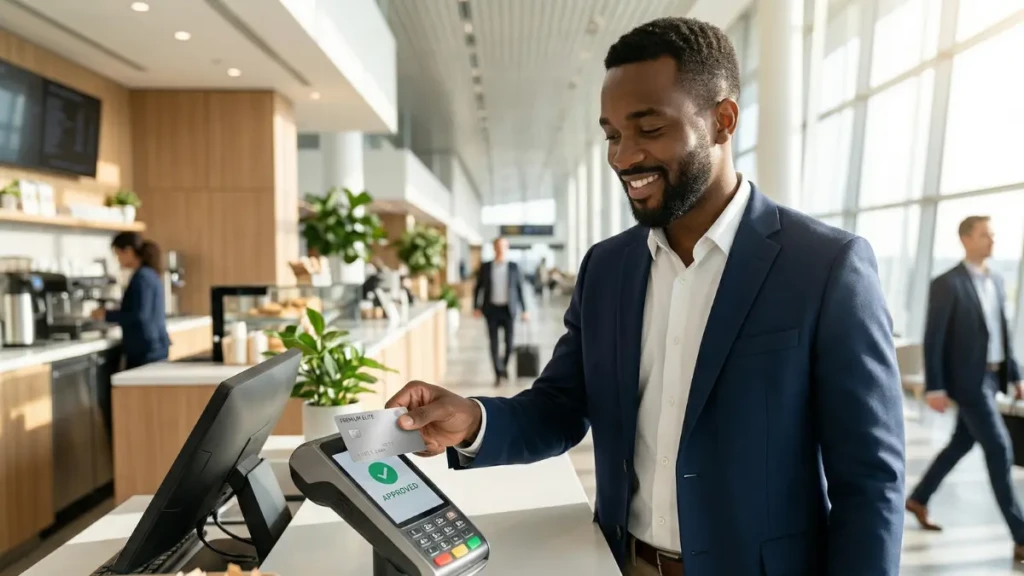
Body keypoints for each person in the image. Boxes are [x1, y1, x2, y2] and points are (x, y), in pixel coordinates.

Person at [386, 17, 904, 576]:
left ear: (723, 121)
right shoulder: (607, 268)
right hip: (623, 562)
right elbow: (561, 407)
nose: (622, 156)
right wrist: (472, 419)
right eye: (612, 134)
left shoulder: (826, 266)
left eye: (649, 129)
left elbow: (871, 479)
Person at [906, 216, 1024, 558]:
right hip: (968, 382)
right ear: (966, 239)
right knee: (1000, 449)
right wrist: (935, 387)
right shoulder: (947, 283)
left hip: (993, 376)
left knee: (960, 443)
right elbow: (935, 337)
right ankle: (1021, 535)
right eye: (985, 234)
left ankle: (918, 499)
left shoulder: (997, 280)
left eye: (993, 234)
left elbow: (1001, 333)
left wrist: (1016, 376)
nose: (992, 240)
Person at [92, 232, 170, 369]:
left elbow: (138, 314)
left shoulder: (141, 277)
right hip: (153, 346)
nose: (118, 260)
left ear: (128, 251)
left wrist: (106, 314)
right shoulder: (150, 274)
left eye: (118, 254)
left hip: (145, 349)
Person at [473, 237, 528, 386]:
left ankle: (503, 366)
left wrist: (525, 309)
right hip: (491, 310)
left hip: (508, 310)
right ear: (493, 248)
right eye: (497, 246)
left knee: (509, 344)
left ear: (507, 248)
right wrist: (476, 307)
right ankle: (498, 373)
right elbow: (478, 288)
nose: (500, 249)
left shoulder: (513, 267)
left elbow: (519, 289)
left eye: (503, 246)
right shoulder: (486, 267)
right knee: (494, 343)